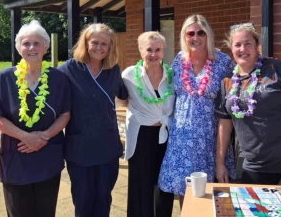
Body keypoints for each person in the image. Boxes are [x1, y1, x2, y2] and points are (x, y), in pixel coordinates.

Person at [215, 23, 281, 186]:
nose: (242, 49)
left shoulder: (277, 70)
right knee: (254, 211)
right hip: (257, 167)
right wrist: (220, 164)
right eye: (237, 45)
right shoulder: (227, 82)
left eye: (247, 44)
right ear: (231, 49)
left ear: (257, 46)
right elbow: (225, 124)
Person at [0, 20, 71, 217]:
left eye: (37, 43)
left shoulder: (59, 78)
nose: (31, 48)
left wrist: (42, 137)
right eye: (26, 43)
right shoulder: (5, 77)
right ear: (19, 48)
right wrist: (26, 137)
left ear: (46, 47)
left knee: (46, 211)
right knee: (18, 212)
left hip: (48, 157)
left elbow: (65, 114)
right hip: (16, 157)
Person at [158, 14, 236, 205]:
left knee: (213, 195)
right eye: (190, 33)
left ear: (208, 34)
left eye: (201, 32)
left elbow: (241, 84)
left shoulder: (223, 62)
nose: (196, 37)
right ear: (184, 37)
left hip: (210, 137)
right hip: (182, 138)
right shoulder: (178, 61)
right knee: (184, 191)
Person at [58, 23, 128, 217]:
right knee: (83, 203)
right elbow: (42, 88)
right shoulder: (68, 69)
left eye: (104, 44)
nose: (99, 47)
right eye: (94, 42)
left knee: (103, 202)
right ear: (85, 43)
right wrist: (3, 100)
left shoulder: (113, 70)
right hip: (80, 150)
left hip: (108, 148)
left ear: (111, 46)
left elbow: (127, 96)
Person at [122, 31, 175, 217]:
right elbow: (120, 99)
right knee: (140, 186)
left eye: (158, 50)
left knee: (164, 185)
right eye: (149, 50)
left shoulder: (171, 75)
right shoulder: (129, 75)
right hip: (141, 135)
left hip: (165, 135)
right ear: (140, 51)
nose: (154, 54)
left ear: (163, 51)